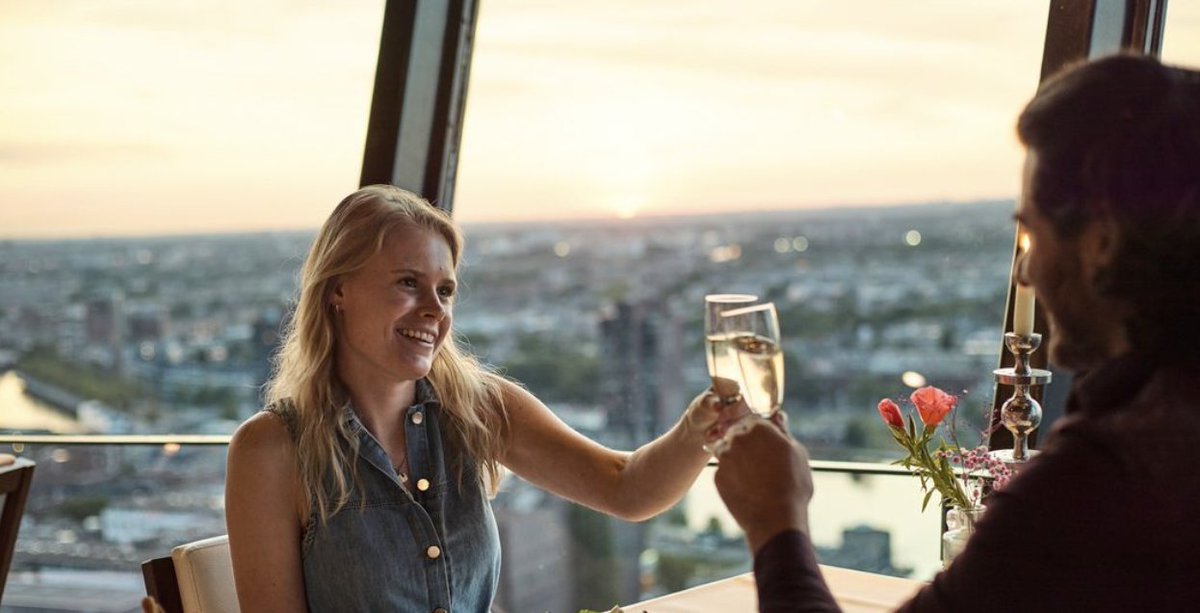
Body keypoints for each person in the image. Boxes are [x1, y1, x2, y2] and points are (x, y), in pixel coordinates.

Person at [713, 53, 1200, 612]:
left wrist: (775, 521)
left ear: (1101, 244)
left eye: (1033, 235)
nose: (1025, 270)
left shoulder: (1098, 486)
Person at [224, 185, 732, 612]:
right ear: (338, 291)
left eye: (445, 291)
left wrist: (700, 425)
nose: (434, 311)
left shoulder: (479, 408)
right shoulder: (271, 450)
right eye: (408, 283)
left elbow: (630, 491)